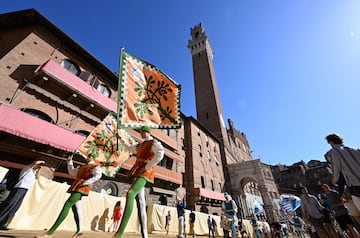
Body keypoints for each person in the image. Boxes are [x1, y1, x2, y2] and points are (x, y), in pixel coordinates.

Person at [113, 126, 164, 238]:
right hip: (138, 172)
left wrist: (147, 166)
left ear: (146, 132)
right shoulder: (141, 145)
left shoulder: (153, 142)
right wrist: (121, 138)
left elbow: (160, 154)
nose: (140, 133)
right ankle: (145, 235)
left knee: (130, 193)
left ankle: (119, 234)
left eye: (141, 131)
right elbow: (130, 148)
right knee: (141, 203)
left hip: (145, 173)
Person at [36, 153, 102, 238]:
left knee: (67, 204)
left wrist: (85, 182)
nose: (87, 157)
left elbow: (98, 176)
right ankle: (80, 230)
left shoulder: (95, 167)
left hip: (81, 187)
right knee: (76, 208)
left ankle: (50, 232)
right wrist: (70, 162)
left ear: (93, 158)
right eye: (87, 156)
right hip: (77, 185)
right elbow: (72, 172)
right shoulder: (83, 166)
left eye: (89, 156)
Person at [0, 160, 45, 230]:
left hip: (25, 189)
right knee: (10, 204)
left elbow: (37, 178)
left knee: (15, 207)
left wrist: (39, 170)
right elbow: (34, 163)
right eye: (38, 165)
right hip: (19, 188)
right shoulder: (27, 168)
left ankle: (3, 224)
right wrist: (41, 161)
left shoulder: (33, 172)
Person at [324, 133, 360, 211]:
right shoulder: (355, 149)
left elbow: (335, 167)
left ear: (331, 142)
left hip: (355, 184)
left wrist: (334, 180)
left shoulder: (334, 151)